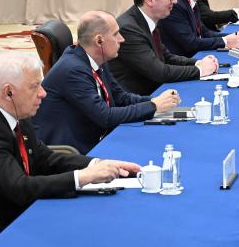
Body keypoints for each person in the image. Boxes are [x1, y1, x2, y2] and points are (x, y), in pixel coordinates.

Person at [0, 53, 140, 247]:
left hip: (2, 216)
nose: (43, 93)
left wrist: (99, 164)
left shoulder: (15, 114)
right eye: (34, 87)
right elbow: (19, 188)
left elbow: (45, 158)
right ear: (9, 91)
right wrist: (83, 177)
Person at [33, 11, 181, 153]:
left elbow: (121, 98)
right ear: (99, 40)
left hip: (94, 137)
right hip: (73, 151)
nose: (122, 39)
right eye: (116, 34)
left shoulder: (97, 60)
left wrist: (155, 100)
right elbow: (105, 117)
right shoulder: (73, 70)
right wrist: (153, 106)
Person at [108, 0, 219, 96]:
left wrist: (198, 62)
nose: (175, 1)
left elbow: (167, 58)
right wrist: (200, 70)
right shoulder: (129, 29)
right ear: (150, 0)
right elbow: (159, 72)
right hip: (138, 99)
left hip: (155, 91)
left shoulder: (146, 20)